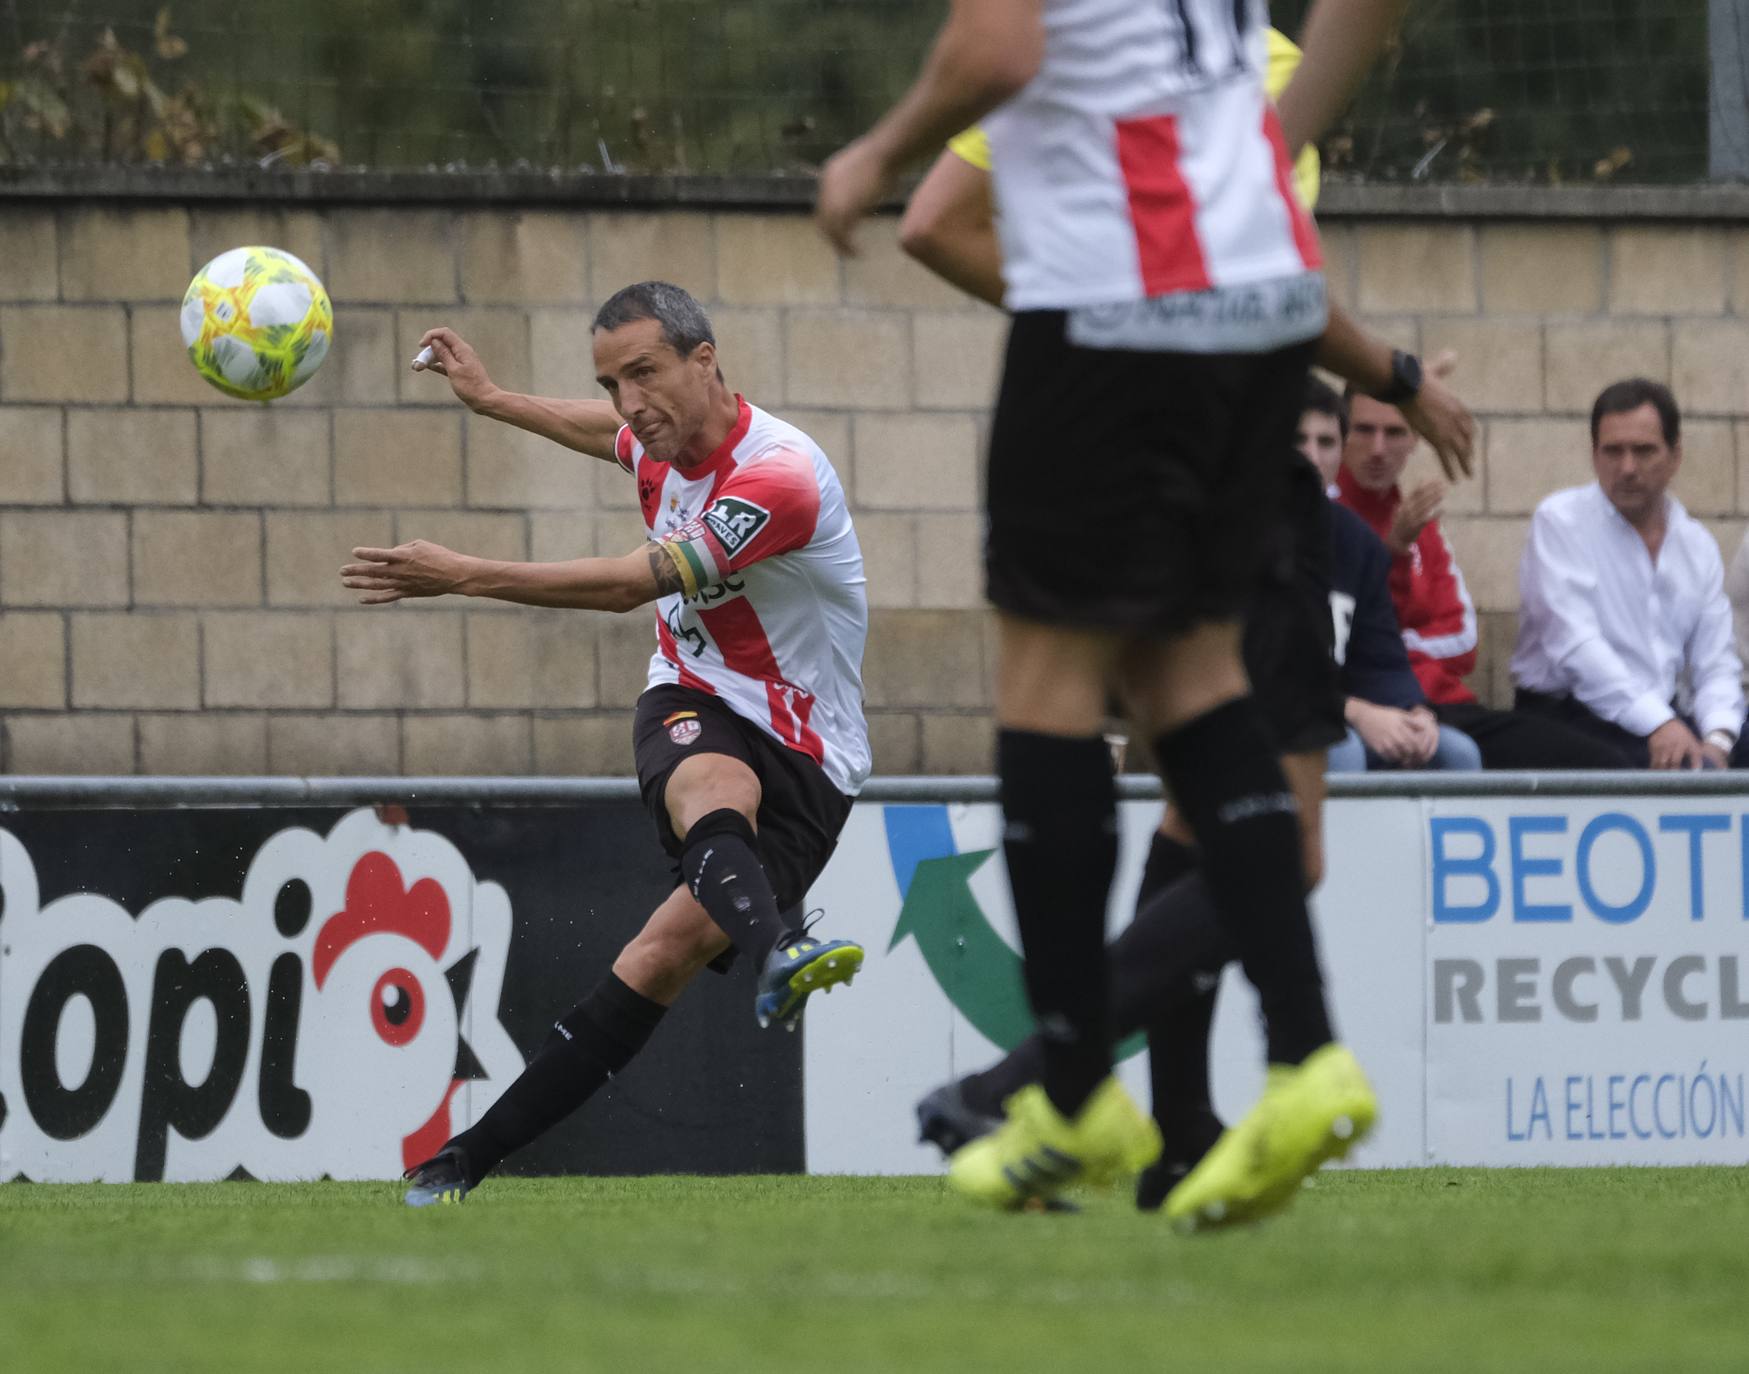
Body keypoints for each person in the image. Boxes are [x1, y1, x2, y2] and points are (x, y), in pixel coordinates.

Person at [816, 0, 1409, 1226]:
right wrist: (1254, 161)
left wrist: (878, 149)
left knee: (1047, 678)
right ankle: (1307, 1060)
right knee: (1192, 673)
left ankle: (1079, 1085)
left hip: (1116, 294)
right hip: (1256, 298)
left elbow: (997, 48)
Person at [342, 282, 871, 1205]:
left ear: (704, 362)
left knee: (657, 957)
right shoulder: (656, 438)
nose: (629, 402)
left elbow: (632, 583)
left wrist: (463, 574)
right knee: (709, 782)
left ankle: (478, 1147)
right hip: (692, 693)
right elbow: (606, 434)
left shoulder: (776, 477)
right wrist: (493, 398)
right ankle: (462, 1162)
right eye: (611, 381)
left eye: (644, 374)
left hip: (811, 748)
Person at [1337, 390, 1626, 769]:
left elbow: (1463, 642)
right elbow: (1351, 636)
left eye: (1394, 432)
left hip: (1444, 706)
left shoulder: (1419, 520)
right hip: (1380, 707)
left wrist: (1402, 648)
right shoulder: (1330, 519)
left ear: (1414, 439)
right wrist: (1392, 553)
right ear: (1342, 434)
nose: (1378, 448)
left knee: (1600, 762)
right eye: (1363, 430)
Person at [1513, 378, 1744, 769]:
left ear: (1675, 455)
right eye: (1613, 451)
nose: (1627, 468)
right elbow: (1576, 647)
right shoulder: (1561, 522)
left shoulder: (1695, 543)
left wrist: (1718, 740)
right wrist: (1659, 723)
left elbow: (1716, 662)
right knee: (1657, 768)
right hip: (1569, 716)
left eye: (1644, 451)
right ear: (1594, 454)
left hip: (1665, 714)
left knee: (1715, 754)